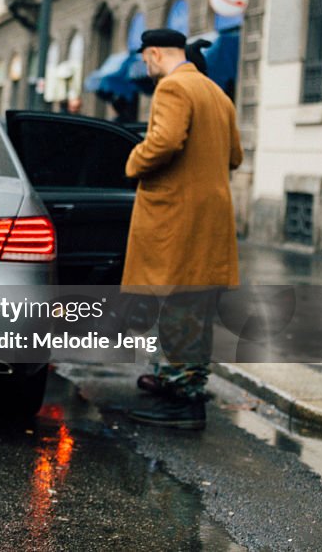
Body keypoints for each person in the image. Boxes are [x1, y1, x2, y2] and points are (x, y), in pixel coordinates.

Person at [121, 29, 243, 430]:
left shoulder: (173, 88)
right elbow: (235, 156)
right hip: (210, 218)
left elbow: (165, 142)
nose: (146, 67)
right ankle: (178, 386)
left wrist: (133, 160)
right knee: (192, 304)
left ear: (155, 54)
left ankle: (184, 401)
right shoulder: (216, 93)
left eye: (145, 60)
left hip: (176, 219)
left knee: (176, 304)